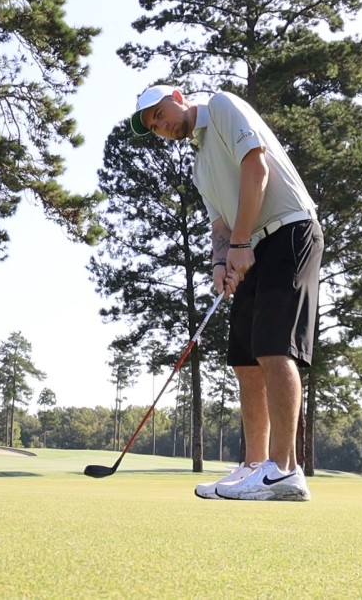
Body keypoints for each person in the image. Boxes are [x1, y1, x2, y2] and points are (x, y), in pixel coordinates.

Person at [129, 84, 323, 501]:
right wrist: (220, 263)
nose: (162, 126)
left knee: (274, 349)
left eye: (160, 114)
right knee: (244, 359)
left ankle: (285, 470)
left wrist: (238, 245)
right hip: (249, 245)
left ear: (177, 97)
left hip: (290, 231)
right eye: (155, 127)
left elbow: (257, 168)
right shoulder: (199, 166)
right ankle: (254, 467)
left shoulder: (221, 107)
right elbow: (218, 224)